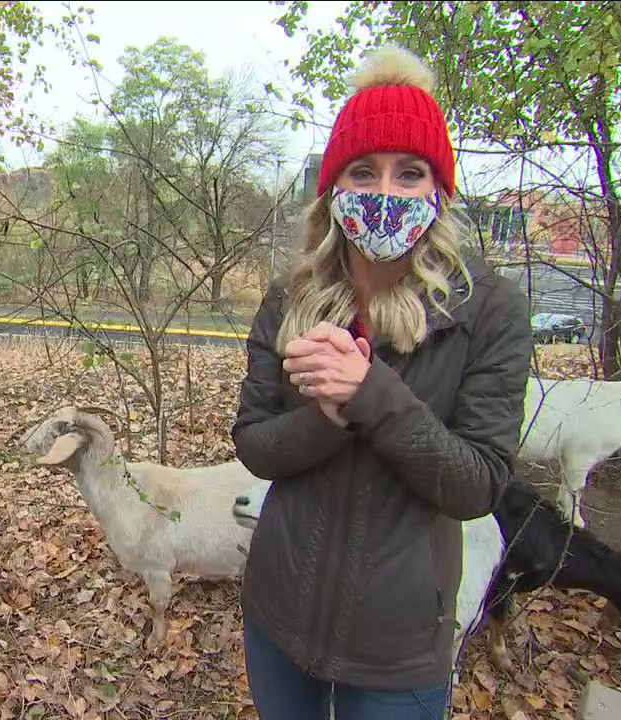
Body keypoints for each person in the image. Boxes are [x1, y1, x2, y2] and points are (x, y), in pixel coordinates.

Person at [231, 46, 533, 719]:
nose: (385, 195)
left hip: (400, 651)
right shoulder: (292, 299)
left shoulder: (487, 309)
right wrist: (326, 416)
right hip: (279, 615)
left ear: (439, 191)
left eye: (410, 174)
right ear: (334, 190)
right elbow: (254, 443)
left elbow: (478, 483)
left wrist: (373, 394)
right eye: (364, 172)